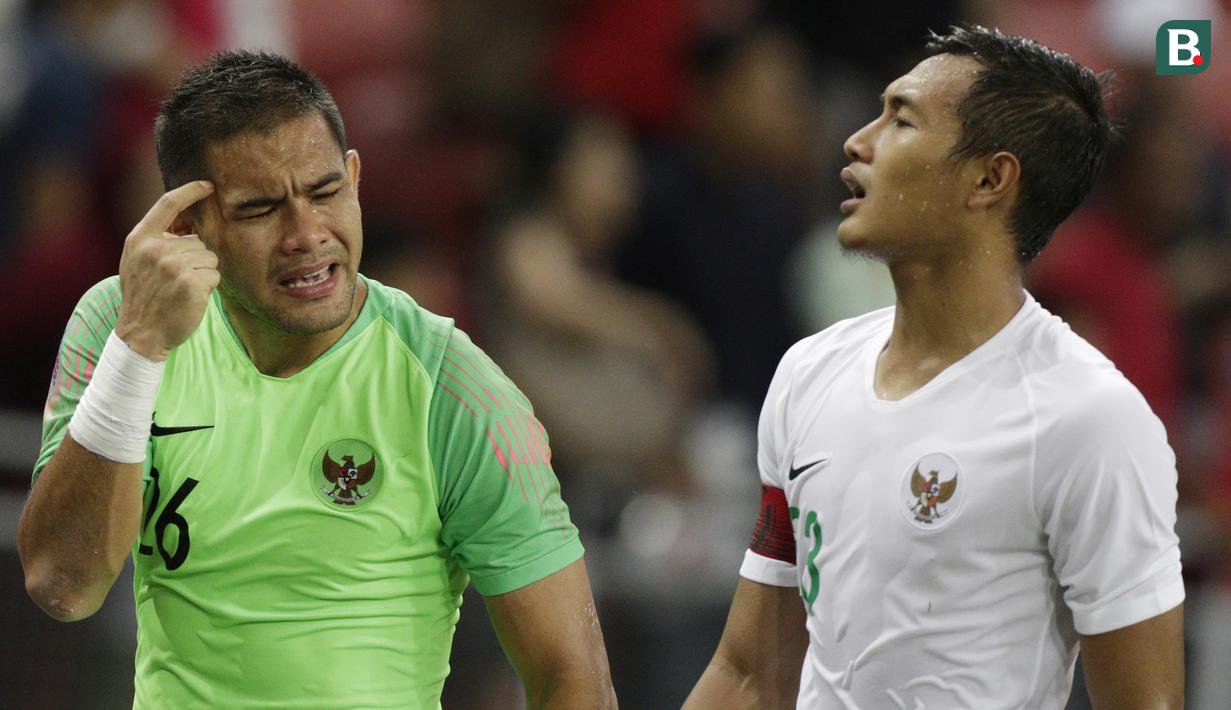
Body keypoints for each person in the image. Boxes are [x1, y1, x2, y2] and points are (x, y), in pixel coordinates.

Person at [16, 50, 617, 710]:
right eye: (261, 208)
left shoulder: (451, 386)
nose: (307, 234)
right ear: (190, 225)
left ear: (355, 179)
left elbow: (571, 673)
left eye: (325, 192)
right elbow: (62, 585)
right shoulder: (124, 324)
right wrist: (139, 350)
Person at [685, 25, 1184, 710]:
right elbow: (748, 674)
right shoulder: (808, 372)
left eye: (900, 118)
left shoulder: (1090, 418)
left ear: (989, 178)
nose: (857, 141)